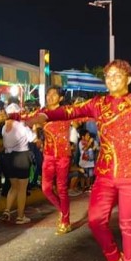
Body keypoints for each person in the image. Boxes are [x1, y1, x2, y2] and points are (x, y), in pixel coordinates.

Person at [27, 59, 131, 261]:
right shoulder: (98, 104)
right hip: (105, 173)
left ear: (128, 79)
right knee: (95, 220)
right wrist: (45, 116)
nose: (112, 80)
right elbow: (70, 111)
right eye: (109, 76)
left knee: (127, 224)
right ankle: (114, 258)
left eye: (117, 76)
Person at [36, 86, 81, 235]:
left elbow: (79, 120)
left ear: (60, 98)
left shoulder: (66, 111)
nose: (50, 96)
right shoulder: (42, 112)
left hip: (63, 155)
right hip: (48, 155)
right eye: (48, 94)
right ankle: (63, 211)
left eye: (54, 94)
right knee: (46, 188)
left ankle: (65, 221)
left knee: (62, 188)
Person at [0, 102, 37, 224]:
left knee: (13, 186)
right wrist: (35, 129)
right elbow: (33, 138)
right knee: (22, 188)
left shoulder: (4, 127)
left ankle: (7, 210)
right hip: (22, 157)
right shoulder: (21, 126)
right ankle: (20, 216)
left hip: (9, 158)